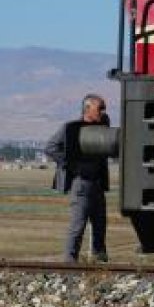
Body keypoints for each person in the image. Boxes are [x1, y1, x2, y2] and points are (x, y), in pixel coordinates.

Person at [44, 94, 110, 263]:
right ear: (87, 109)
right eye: (99, 108)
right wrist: (71, 164)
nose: (102, 112)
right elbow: (51, 147)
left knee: (100, 225)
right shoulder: (71, 128)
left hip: (97, 184)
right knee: (78, 225)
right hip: (81, 184)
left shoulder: (102, 126)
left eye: (103, 108)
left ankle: (99, 261)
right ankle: (70, 264)